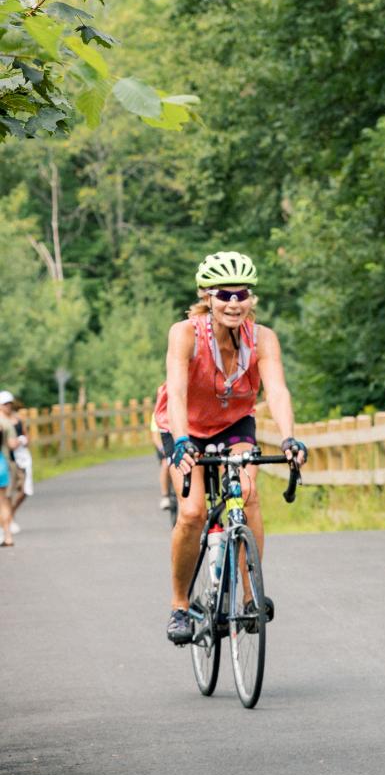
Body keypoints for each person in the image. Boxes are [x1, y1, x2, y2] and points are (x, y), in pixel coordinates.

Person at [154, 251, 307, 645]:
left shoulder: (263, 338)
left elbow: (277, 391)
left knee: (248, 494)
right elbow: (178, 393)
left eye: (242, 294)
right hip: (185, 425)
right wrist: (182, 442)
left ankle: (250, 594)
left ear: (251, 298)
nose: (234, 303)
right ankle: (179, 604)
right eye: (224, 295)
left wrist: (289, 437)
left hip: (234, 423)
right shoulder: (185, 333)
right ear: (207, 297)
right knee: (192, 511)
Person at [0, 392, 33, 529]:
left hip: (20, 459)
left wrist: (24, 440)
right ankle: (6, 523)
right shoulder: (2, 422)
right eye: (5, 404)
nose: (8, 406)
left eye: (9, 404)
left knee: (24, 490)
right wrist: (17, 441)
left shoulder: (17, 419)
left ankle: (10, 517)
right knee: (6, 493)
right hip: (7, 460)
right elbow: (11, 444)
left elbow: (25, 436)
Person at [147, 393, 176, 516]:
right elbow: (155, 437)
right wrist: (161, 448)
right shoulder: (157, 414)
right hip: (163, 445)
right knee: (165, 464)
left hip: (178, 442)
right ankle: (165, 496)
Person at [0, 401, 15, 547]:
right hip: (2, 463)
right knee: (3, 501)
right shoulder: (4, 423)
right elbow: (11, 444)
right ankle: (8, 536)